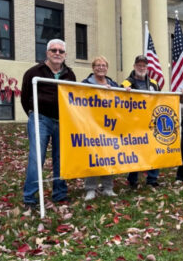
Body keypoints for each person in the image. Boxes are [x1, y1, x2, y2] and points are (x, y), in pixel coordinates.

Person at [21, 39, 76, 208]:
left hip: (62, 121)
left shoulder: (70, 75)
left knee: (61, 158)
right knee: (37, 158)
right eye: (54, 50)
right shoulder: (34, 72)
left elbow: (73, 98)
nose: (57, 53)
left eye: (61, 51)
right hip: (40, 119)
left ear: (65, 55)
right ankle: (29, 198)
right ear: (47, 53)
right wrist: (34, 116)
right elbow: (25, 98)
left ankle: (59, 194)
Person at [121, 55, 160, 188]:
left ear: (147, 67)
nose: (141, 67)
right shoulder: (126, 83)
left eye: (144, 65)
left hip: (151, 123)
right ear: (134, 66)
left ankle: (152, 179)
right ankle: (132, 179)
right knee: (135, 151)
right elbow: (119, 102)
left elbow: (160, 99)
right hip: (134, 123)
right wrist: (124, 93)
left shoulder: (154, 83)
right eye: (139, 65)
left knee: (153, 150)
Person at [82, 56, 118, 200]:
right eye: (98, 65)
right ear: (93, 68)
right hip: (91, 125)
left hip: (109, 126)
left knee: (108, 156)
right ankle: (90, 189)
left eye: (103, 65)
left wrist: (126, 91)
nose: (101, 67)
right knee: (92, 156)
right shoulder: (85, 83)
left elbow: (121, 99)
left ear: (107, 68)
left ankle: (107, 187)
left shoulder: (113, 83)